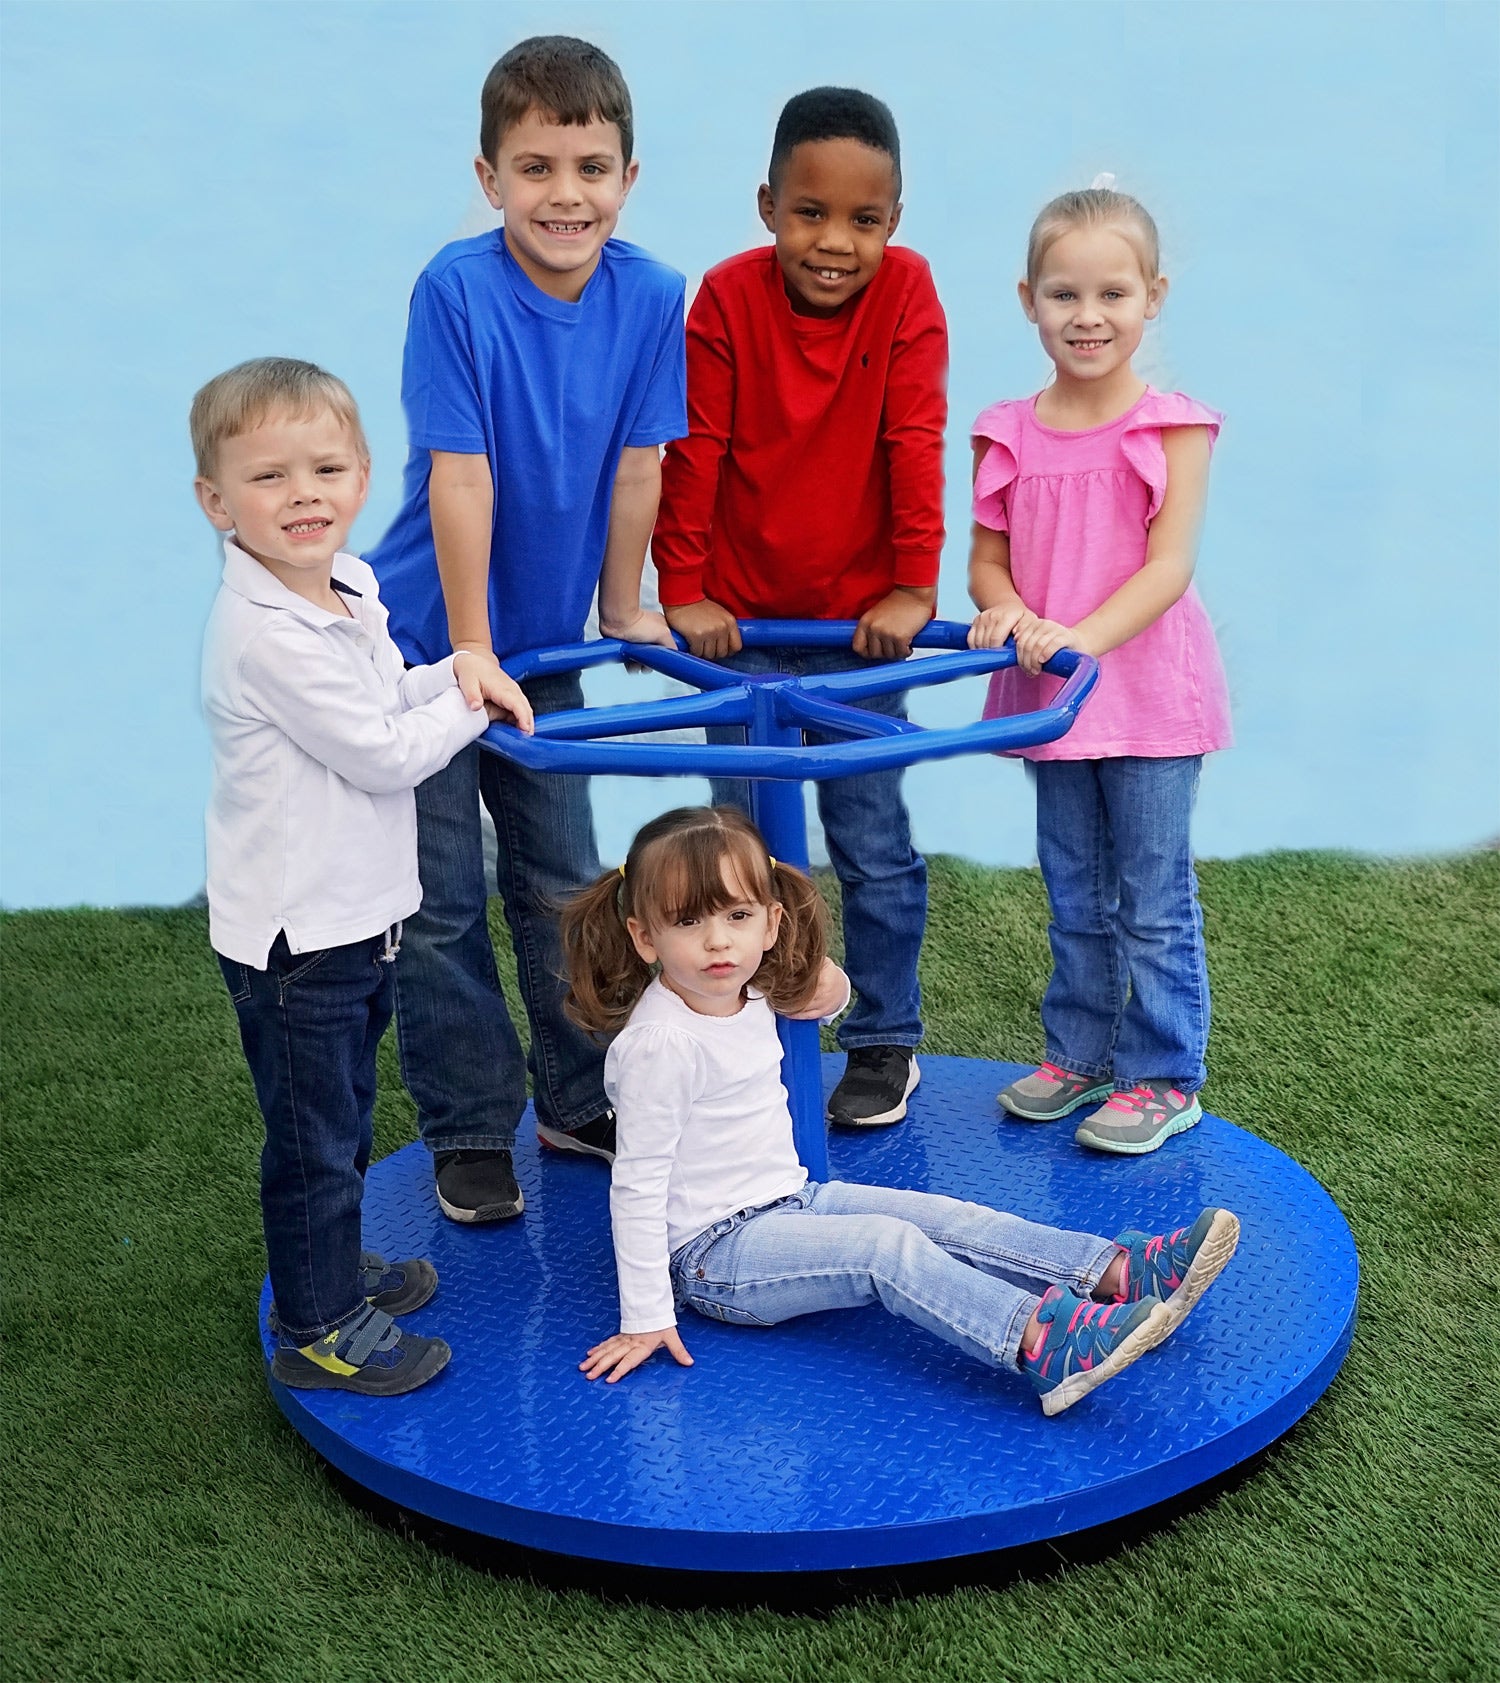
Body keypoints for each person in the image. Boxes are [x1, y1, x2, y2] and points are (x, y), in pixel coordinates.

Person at [562, 807, 1239, 1415]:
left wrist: (829, 982)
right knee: (886, 1250)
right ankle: (1041, 1343)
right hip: (714, 1255)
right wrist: (646, 1314)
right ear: (644, 936)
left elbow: (822, 996)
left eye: (737, 917)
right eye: (689, 921)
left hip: (791, 1199)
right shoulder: (659, 1045)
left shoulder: (747, 983)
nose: (717, 943)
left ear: (770, 922)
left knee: (951, 1218)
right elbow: (638, 1183)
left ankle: (1117, 1273)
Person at [364, 36, 687, 1224]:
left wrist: (620, 605)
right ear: (491, 175)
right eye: (536, 166)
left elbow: (638, 465)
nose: (567, 194)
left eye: (590, 167)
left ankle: (576, 1095)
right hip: (427, 647)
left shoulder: (652, 294)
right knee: (440, 895)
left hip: (544, 652)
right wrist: (465, 651)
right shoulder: (457, 289)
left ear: (629, 177)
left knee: (561, 881)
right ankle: (466, 1124)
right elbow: (463, 477)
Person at [194, 358, 535, 1394]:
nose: (303, 494)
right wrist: (473, 704)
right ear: (215, 502)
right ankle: (317, 1324)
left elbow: (393, 696)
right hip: (302, 943)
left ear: (362, 477)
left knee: (336, 1115)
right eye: (268, 478)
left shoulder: (347, 587)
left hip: (361, 919)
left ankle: (332, 1268)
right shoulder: (264, 637)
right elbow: (384, 753)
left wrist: (454, 671)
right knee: (314, 1138)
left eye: (326, 468)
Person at [651, 87, 946, 1130]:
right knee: (742, 858)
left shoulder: (908, 294)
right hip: (745, 634)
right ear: (769, 203)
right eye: (811, 213)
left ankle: (882, 1040)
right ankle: (741, 1040)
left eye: (864, 220)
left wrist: (913, 584)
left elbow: (913, 438)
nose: (836, 242)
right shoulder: (728, 300)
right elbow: (699, 450)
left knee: (873, 845)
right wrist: (683, 589)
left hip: (858, 631)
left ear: (893, 222)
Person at [967, 184, 1232, 1156]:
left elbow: (1168, 566)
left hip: (1151, 699)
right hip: (1053, 703)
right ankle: (1078, 1057)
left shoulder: (1172, 428)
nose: (1089, 316)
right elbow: (988, 557)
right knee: (1074, 891)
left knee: (1151, 897)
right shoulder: (1006, 429)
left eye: (1113, 294)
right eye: (1065, 294)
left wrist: (1076, 633)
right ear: (1028, 296)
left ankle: (1164, 1075)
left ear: (1152, 296)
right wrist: (1007, 610)